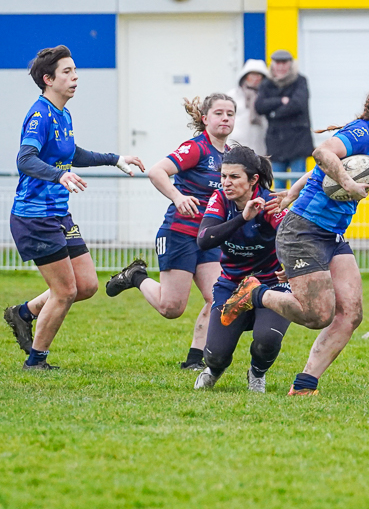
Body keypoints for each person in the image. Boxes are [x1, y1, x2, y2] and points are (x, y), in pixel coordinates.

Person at [221, 82, 369, 396]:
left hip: (331, 235)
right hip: (304, 232)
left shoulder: (366, 142)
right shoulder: (361, 132)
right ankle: (255, 294)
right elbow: (321, 152)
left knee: (351, 313)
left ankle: (306, 384)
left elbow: (317, 169)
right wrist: (347, 181)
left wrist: (290, 194)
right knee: (317, 315)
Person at [3, 45, 144, 369]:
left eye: (75, 70)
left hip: (58, 214)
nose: (75, 77)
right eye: (67, 72)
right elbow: (25, 159)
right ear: (48, 78)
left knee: (87, 285)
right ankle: (36, 360)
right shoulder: (39, 114)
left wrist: (115, 159)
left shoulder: (62, 113)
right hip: (35, 218)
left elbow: (71, 153)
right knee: (65, 291)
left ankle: (23, 313)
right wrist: (59, 175)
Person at [105, 94, 234, 370]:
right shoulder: (196, 148)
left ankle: (194, 360)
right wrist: (177, 197)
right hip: (179, 232)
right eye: (219, 113)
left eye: (230, 114)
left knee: (218, 298)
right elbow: (156, 171)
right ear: (205, 119)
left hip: (208, 236)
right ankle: (136, 276)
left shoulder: (230, 156)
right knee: (171, 308)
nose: (225, 118)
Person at [192, 145, 292, 392]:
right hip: (232, 285)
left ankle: (257, 372)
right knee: (215, 355)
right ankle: (214, 369)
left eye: (234, 177)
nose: (226, 183)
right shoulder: (220, 199)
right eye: (224, 176)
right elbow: (204, 239)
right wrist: (242, 218)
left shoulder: (270, 203)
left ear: (253, 180)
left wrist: (289, 266)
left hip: (271, 284)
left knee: (267, 339)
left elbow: (292, 238)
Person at [254, 50, 312, 188]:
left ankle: (297, 211)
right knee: (278, 185)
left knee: (298, 185)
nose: (280, 66)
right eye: (277, 63)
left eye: (284, 63)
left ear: (291, 64)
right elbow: (259, 106)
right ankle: (279, 211)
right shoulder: (266, 84)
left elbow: (298, 104)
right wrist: (281, 100)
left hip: (298, 143)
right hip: (276, 144)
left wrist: (274, 113)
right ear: (272, 64)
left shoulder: (300, 81)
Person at [227, 59, 269, 155]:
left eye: (258, 76)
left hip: (260, 147)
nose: (255, 79)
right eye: (252, 75)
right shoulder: (233, 95)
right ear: (245, 77)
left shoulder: (268, 97)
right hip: (236, 146)